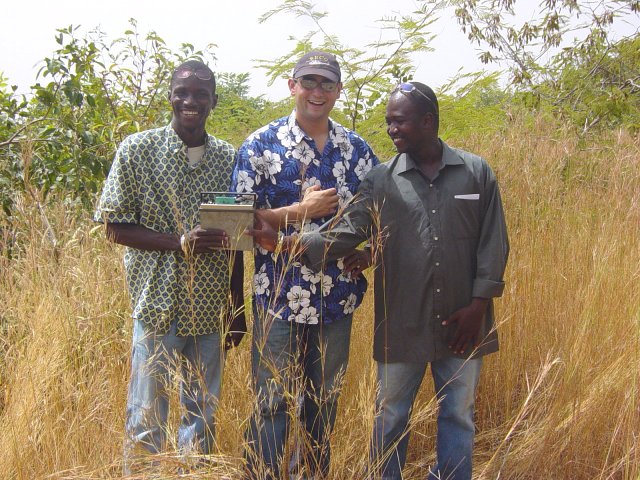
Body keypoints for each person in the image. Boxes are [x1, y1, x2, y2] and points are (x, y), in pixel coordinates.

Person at [251, 81, 509, 480]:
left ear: (428, 121)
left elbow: (493, 242)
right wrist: (286, 244)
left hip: (464, 319)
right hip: (402, 322)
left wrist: (479, 306)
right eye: (389, 122)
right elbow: (346, 232)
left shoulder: (475, 172)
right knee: (391, 415)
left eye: (399, 121)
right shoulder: (381, 180)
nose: (391, 129)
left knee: (458, 412)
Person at [231, 50, 379, 479]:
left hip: (337, 299)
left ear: (338, 91)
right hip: (277, 296)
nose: (317, 92)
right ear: (291, 85)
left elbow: (381, 214)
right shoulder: (260, 146)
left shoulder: (358, 150)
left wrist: (368, 252)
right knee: (272, 399)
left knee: (323, 400)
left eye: (327, 84)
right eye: (309, 82)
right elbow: (240, 224)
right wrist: (300, 209)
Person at [94, 60, 246, 472]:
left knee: (201, 420)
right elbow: (112, 226)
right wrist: (179, 243)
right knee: (146, 418)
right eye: (182, 92)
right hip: (156, 306)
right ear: (170, 97)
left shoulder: (229, 159)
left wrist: (237, 308)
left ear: (214, 100)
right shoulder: (137, 150)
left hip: (209, 309)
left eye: (200, 94)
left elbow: (236, 238)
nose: (190, 101)